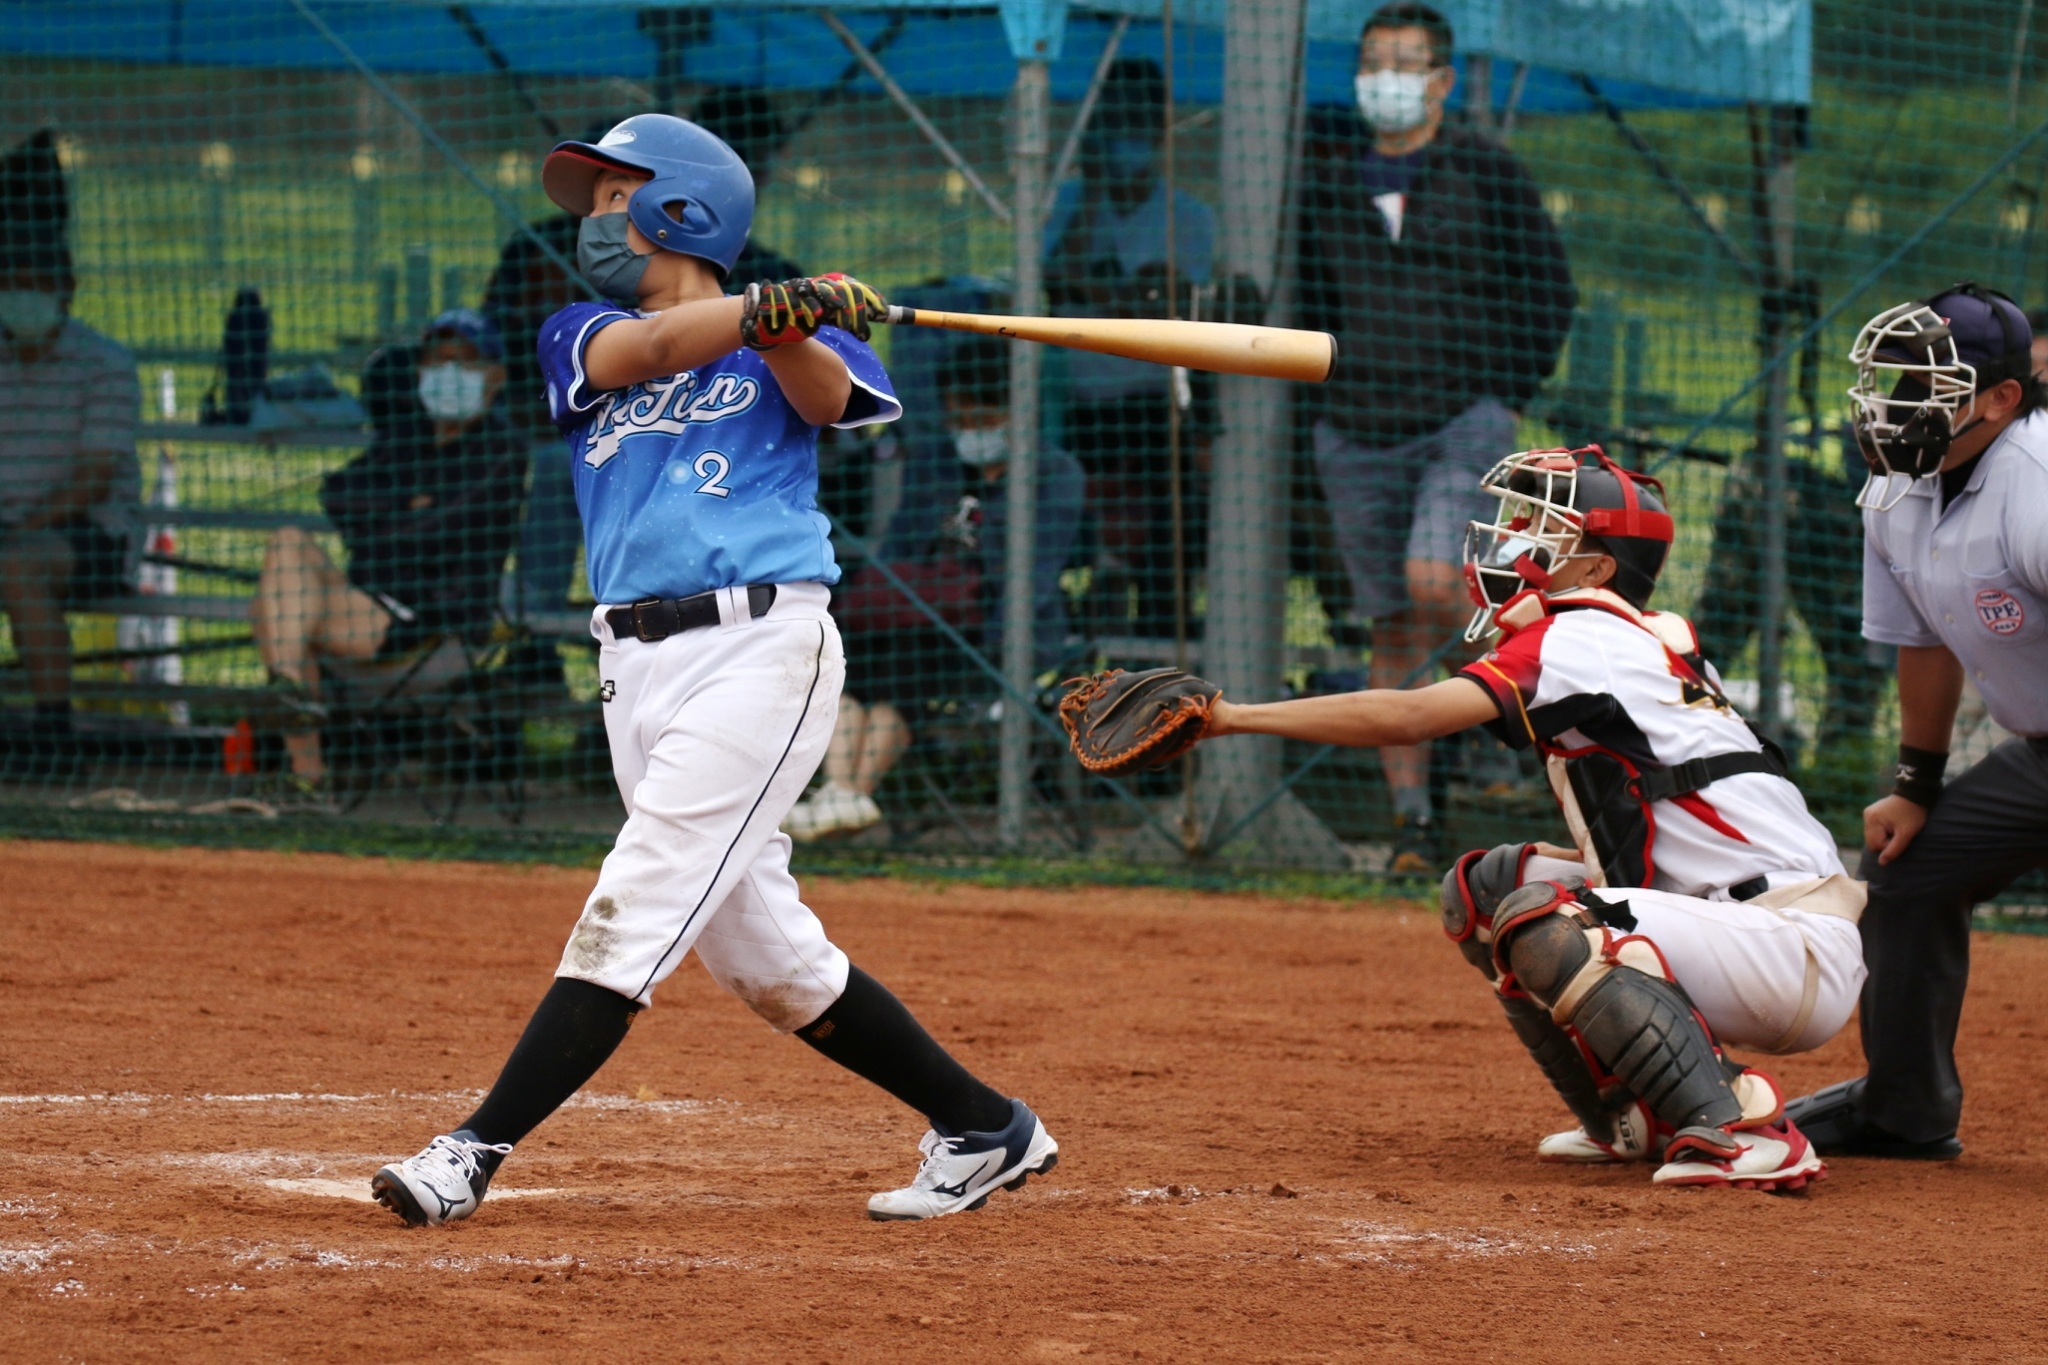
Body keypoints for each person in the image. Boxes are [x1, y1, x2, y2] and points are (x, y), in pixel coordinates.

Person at [371, 115, 1057, 1227]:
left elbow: (824, 400)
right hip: (630, 664)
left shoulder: (787, 334)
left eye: (614, 197)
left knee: (640, 891)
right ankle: (987, 1127)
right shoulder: (577, 331)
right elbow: (645, 354)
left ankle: (472, 1149)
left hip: (759, 648)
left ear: (679, 208)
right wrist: (768, 307)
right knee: (764, 955)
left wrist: (793, 325)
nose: (595, 221)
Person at [1116, 448, 1858, 1188]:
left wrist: (1232, 718)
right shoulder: (1624, 636)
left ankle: (1745, 1127)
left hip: (1783, 943)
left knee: (1549, 921)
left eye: (1549, 528)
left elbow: (1409, 716)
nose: (1519, 539)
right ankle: (1634, 1113)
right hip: (1742, 927)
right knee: (1488, 889)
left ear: (1598, 568)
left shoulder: (1586, 634)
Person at [1296, 2, 1576, 871]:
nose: (1385, 77)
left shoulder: (1486, 170)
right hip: (1355, 428)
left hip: (1465, 417)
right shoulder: (1328, 182)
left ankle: (1525, 713)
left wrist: (1505, 393)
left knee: (1436, 577)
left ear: (1442, 81)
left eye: (1405, 62)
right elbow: (1309, 303)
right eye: (1373, 61)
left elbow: (1548, 288)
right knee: (1391, 623)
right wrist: (1325, 406)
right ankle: (1412, 822)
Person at [1783, 284, 2048, 1160]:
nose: (1894, 405)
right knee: (1910, 869)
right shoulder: (1896, 491)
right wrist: (1915, 786)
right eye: (1891, 381)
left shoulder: (2038, 486)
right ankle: (1904, 1108)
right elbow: (1925, 640)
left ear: (2000, 398)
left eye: (1927, 386)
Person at [789, 335, 1085, 840]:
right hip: (912, 618)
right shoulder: (935, 463)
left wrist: (992, 636)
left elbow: (1032, 578)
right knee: (850, 669)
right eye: (958, 418)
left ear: (1016, 411)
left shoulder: (1055, 474)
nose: (969, 430)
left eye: (982, 418)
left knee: (906, 674)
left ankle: (842, 796)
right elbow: (898, 548)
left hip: (991, 630)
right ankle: (845, 796)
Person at [252, 309, 526, 789]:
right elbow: (338, 494)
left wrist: (392, 515)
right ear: (419, 372)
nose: (448, 373)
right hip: (369, 606)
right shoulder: (408, 435)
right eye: (437, 361)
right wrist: (409, 507)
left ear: (495, 376)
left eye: (464, 361)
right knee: (288, 543)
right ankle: (291, 703)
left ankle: (304, 764)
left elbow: (432, 529)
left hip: (434, 627)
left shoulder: (501, 448)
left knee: (276, 611)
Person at [1043, 56, 1216, 641]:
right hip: (1072, 400)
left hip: (1149, 400)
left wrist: (1109, 294)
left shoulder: (1188, 216)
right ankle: (1078, 603)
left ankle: (1162, 623)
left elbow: (1171, 299)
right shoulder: (1068, 203)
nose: (1125, 138)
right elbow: (1053, 279)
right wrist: (1093, 193)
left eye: (1137, 124)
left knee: (1168, 506)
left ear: (1159, 132)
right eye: (1114, 122)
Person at [0, 128, 139, 776]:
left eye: (34, 282)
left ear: (67, 287)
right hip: (9, 528)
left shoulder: (104, 363)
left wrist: (22, 527)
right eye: (8, 282)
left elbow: (94, 477)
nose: (19, 296)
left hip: (88, 535)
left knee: (15, 564)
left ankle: (55, 737)